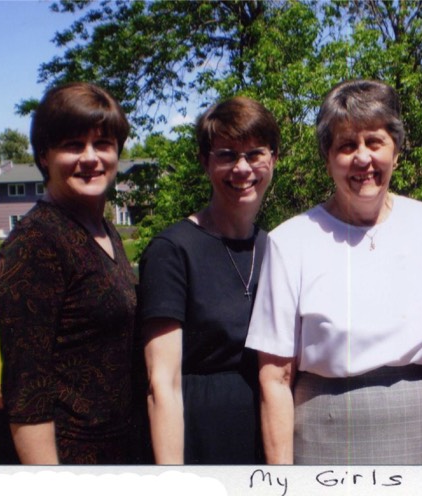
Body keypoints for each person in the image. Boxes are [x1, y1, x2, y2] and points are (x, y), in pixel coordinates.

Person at [246, 79, 422, 464]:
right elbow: (275, 378)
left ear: (396, 151)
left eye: (375, 142)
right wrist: (281, 481)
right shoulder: (290, 241)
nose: (362, 158)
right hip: (323, 434)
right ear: (327, 159)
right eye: (346, 146)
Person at [0, 82, 137, 464]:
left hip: (114, 456)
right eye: (73, 145)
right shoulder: (35, 244)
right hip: (67, 464)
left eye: (102, 144)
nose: (90, 158)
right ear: (44, 156)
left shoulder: (103, 231)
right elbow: (27, 392)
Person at [138, 96, 278, 464]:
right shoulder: (172, 251)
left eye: (255, 154)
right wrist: (173, 479)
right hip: (197, 437)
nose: (242, 168)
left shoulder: (276, 249)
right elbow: (162, 383)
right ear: (205, 162)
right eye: (227, 155)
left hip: (265, 435)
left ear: (273, 159)